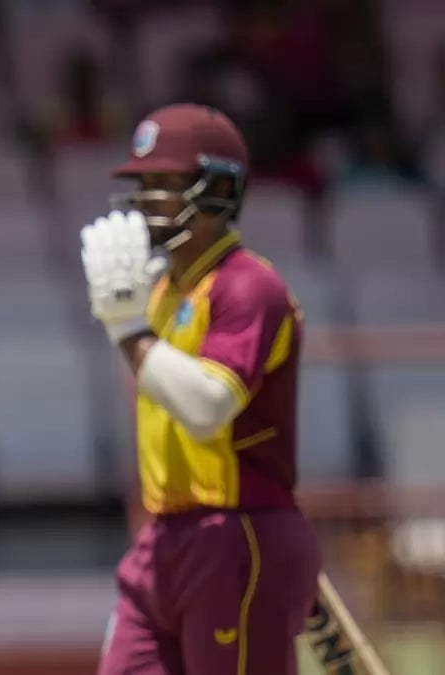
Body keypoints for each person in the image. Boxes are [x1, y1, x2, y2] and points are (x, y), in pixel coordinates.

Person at [78, 103, 321, 675]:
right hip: (164, 536)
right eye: (141, 183)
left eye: (163, 183)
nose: (144, 199)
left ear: (217, 189)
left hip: (236, 533)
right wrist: (132, 323)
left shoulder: (249, 286)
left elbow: (209, 407)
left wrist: (127, 329)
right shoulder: (159, 289)